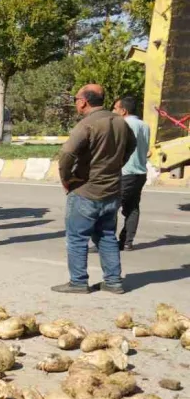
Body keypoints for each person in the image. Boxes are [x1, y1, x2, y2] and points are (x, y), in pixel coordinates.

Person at [54, 84, 136, 294]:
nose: (76, 103)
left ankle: (78, 282)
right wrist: (116, 165)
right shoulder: (120, 122)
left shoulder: (87, 124)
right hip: (111, 189)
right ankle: (113, 281)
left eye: (76, 99)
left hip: (86, 190)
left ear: (83, 102)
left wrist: (66, 179)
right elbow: (132, 146)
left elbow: (66, 154)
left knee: (77, 237)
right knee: (107, 235)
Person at [112, 96, 150, 251]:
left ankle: (106, 243)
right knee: (132, 207)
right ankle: (127, 241)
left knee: (110, 208)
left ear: (123, 111)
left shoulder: (123, 124)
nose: (113, 111)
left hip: (125, 171)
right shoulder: (144, 125)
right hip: (140, 172)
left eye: (115, 108)